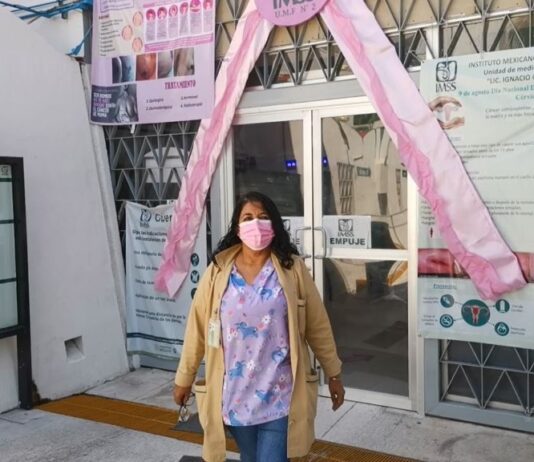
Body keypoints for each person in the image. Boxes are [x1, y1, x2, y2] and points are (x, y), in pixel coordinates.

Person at [173, 191, 345, 462]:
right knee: (251, 457)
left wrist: (334, 373)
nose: (256, 224)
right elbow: (197, 328)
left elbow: (318, 325)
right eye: (248, 218)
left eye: (263, 217)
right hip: (235, 396)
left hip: (280, 395)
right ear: (237, 228)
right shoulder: (218, 271)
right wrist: (184, 378)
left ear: (274, 225)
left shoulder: (292, 269)